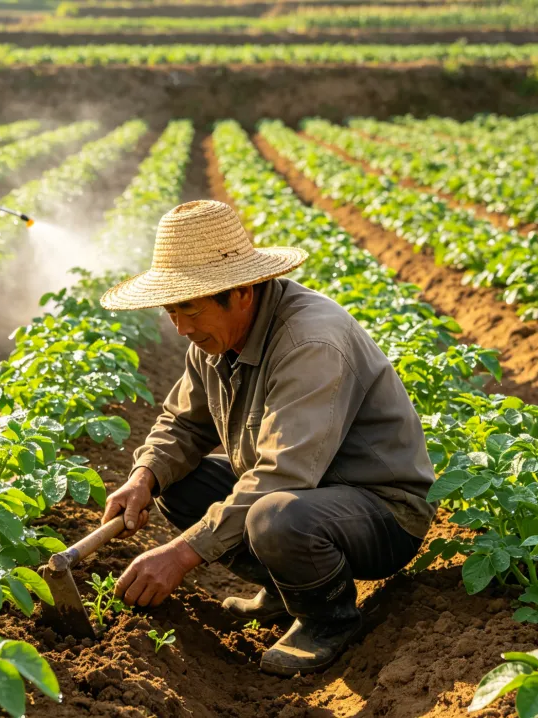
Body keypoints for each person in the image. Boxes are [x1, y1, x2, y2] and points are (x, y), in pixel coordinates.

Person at [98, 200, 436, 677]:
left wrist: (179, 555)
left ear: (240, 292)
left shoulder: (309, 342)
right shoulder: (215, 340)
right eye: (172, 311)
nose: (182, 328)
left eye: (190, 309)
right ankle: (285, 590)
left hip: (381, 510)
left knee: (274, 515)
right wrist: (143, 475)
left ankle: (326, 619)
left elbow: (283, 477)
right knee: (176, 483)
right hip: (308, 498)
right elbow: (183, 423)